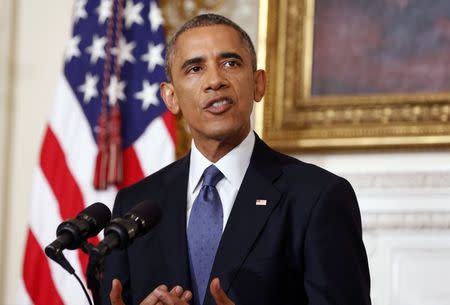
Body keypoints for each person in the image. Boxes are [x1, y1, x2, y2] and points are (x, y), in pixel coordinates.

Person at [100, 13, 371, 305]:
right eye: (194, 68)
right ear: (171, 97)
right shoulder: (135, 206)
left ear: (258, 84)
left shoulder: (317, 197)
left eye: (230, 64)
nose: (215, 81)